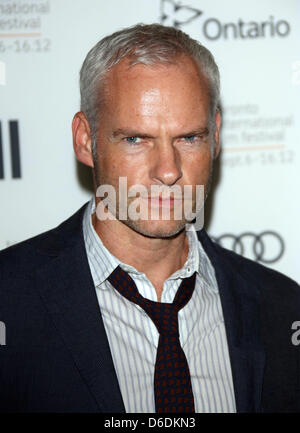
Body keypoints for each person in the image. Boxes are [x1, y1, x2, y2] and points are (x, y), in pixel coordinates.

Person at [0, 23, 299, 414]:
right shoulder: (9, 300)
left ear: (216, 135)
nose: (168, 170)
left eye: (188, 138)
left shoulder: (282, 309)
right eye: (135, 139)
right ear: (85, 140)